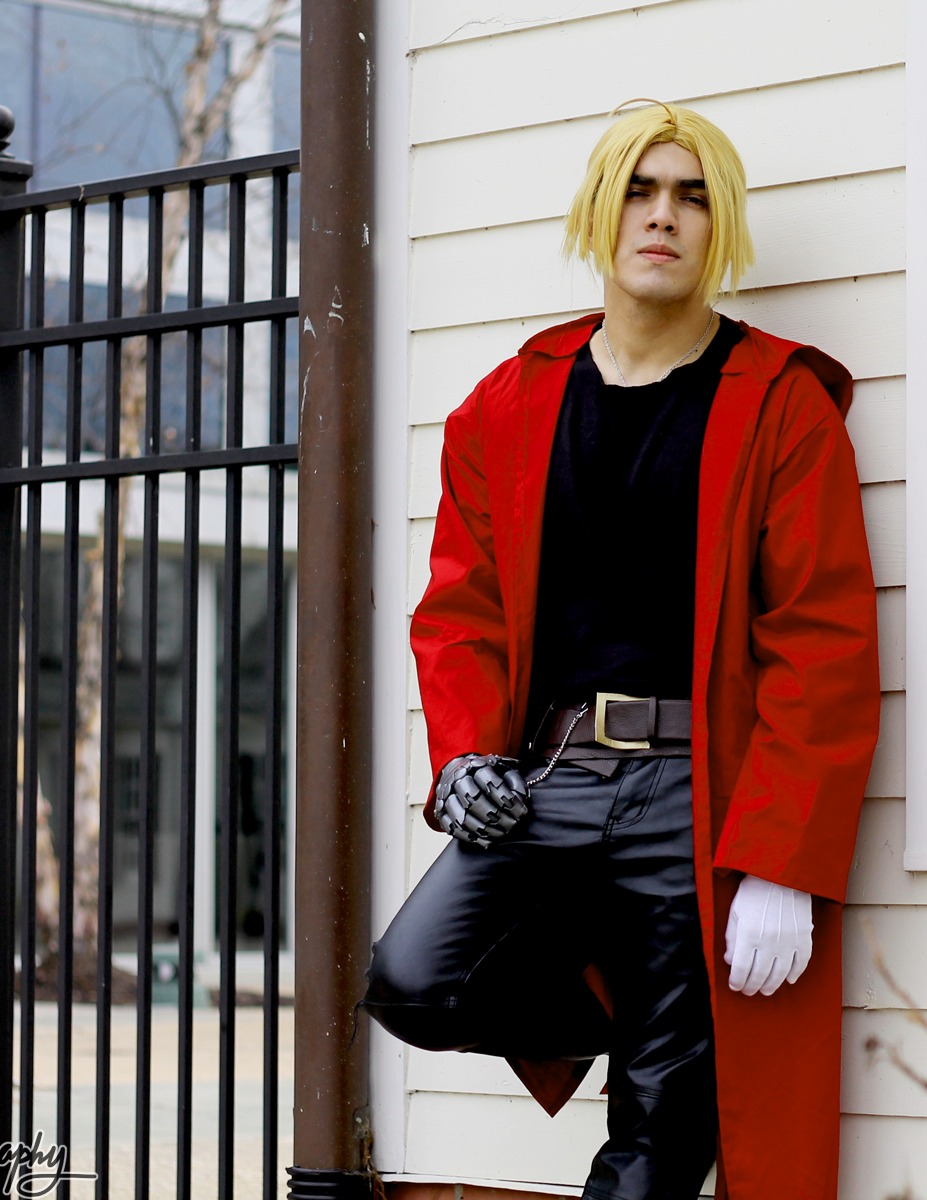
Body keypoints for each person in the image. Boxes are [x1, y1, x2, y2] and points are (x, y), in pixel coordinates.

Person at [362, 101, 881, 1200]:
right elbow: (458, 611)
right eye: (639, 192)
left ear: (719, 226)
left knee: (657, 1139)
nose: (663, 216)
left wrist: (782, 863)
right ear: (599, 214)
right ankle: (640, 1003)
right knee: (414, 982)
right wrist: (463, 759)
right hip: (552, 780)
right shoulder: (507, 405)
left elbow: (821, 642)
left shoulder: (780, 404)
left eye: (692, 197)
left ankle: (668, 1037)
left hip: (699, 797)